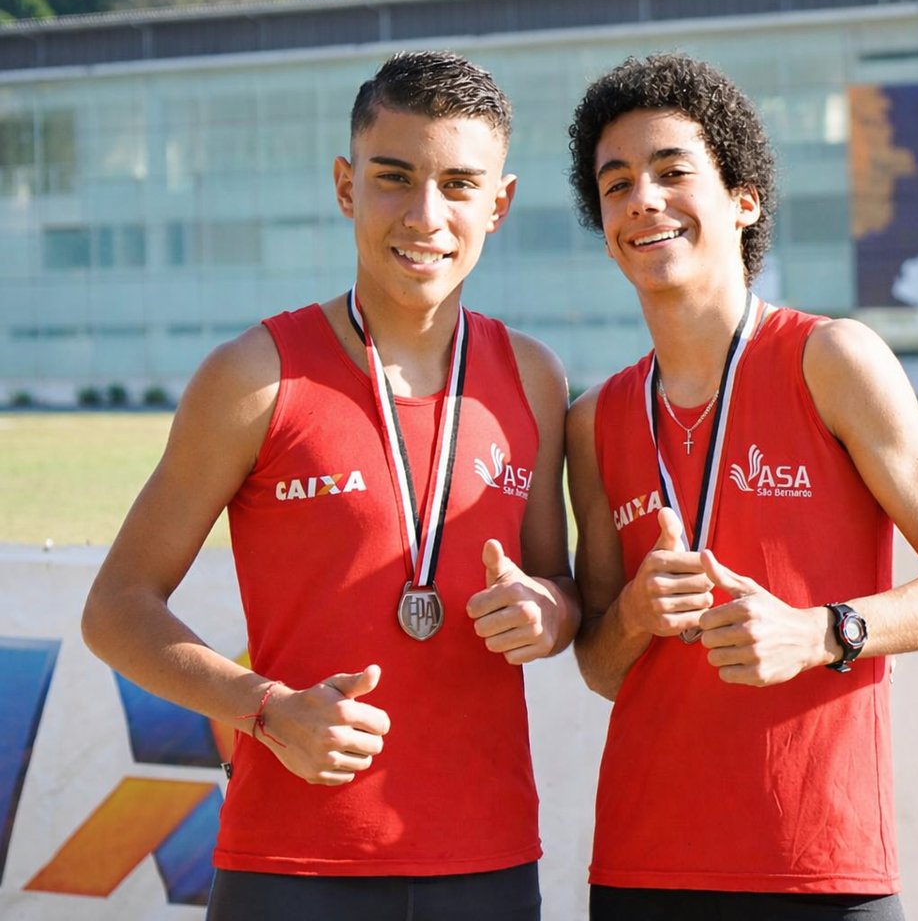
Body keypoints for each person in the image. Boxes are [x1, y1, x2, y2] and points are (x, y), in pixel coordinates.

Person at [82, 50, 579, 921]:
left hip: (488, 859)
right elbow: (117, 608)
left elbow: (562, 589)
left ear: (497, 205)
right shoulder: (254, 376)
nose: (427, 215)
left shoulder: (534, 377)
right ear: (347, 186)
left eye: (460, 185)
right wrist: (265, 710)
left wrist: (549, 612)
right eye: (396, 177)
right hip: (291, 865)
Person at [564, 52, 918, 920]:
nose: (642, 199)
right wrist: (636, 619)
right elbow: (600, 664)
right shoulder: (594, 421)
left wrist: (818, 632)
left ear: (744, 199)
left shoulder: (832, 360)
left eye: (670, 172)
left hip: (819, 866)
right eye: (616, 185)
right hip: (641, 869)